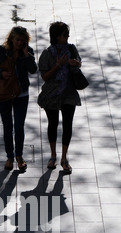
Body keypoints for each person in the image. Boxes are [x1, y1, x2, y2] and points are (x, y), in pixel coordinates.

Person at [0, 26, 37, 172]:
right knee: (7, 126)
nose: (20, 43)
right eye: (17, 40)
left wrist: (27, 55)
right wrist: (0, 73)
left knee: (19, 126)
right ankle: (10, 156)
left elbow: (33, 70)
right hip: (5, 93)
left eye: (23, 40)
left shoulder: (27, 52)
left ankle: (19, 156)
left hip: (21, 94)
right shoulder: (2, 51)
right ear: (12, 39)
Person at [38, 22, 82, 172]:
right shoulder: (47, 53)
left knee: (67, 124)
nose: (67, 37)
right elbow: (44, 76)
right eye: (64, 34)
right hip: (52, 94)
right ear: (56, 36)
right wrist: (58, 65)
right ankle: (53, 155)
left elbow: (79, 63)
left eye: (67, 34)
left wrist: (74, 63)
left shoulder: (71, 48)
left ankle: (64, 158)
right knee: (53, 123)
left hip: (69, 93)